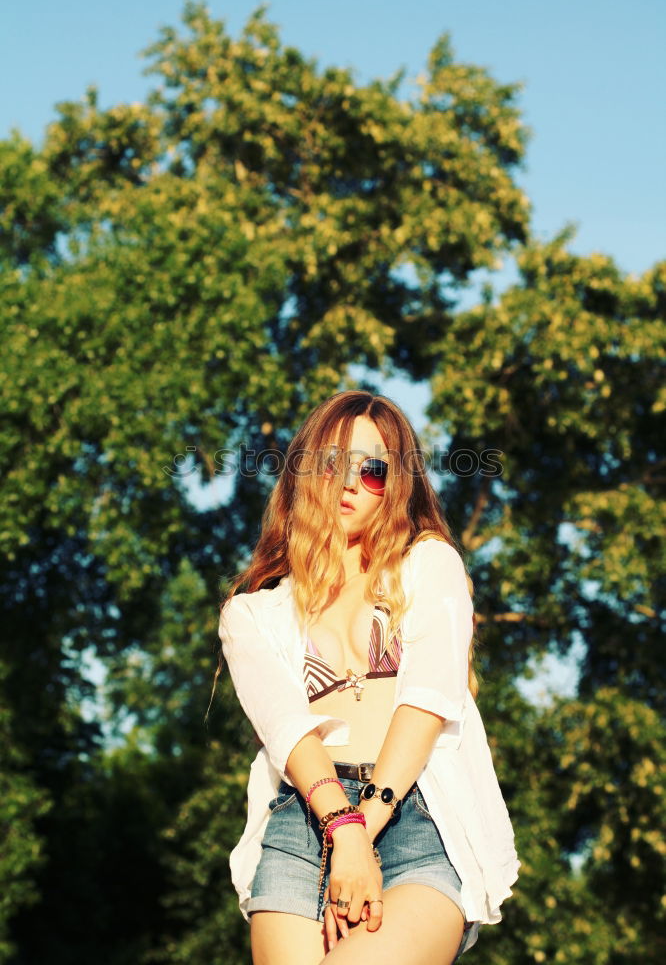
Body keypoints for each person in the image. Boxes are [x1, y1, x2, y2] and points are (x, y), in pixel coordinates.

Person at [216, 390, 519, 965]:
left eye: (373, 470)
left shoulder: (430, 565)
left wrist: (362, 829)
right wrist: (342, 831)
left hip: (412, 818)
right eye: (332, 463)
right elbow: (288, 731)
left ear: (397, 484)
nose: (350, 482)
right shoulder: (253, 613)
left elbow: (428, 702)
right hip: (302, 826)